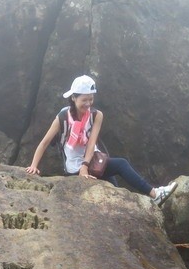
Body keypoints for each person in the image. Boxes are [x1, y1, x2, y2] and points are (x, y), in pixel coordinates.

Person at [25, 75, 177, 206]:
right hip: (75, 169)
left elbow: (91, 143)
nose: (88, 104)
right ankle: (155, 195)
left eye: (91, 99)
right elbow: (45, 142)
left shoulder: (96, 115)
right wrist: (34, 166)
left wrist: (86, 165)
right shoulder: (63, 117)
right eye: (84, 100)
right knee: (121, 164)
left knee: (115, 191)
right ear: (73, 98)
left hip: (94, 163)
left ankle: (150, 199)